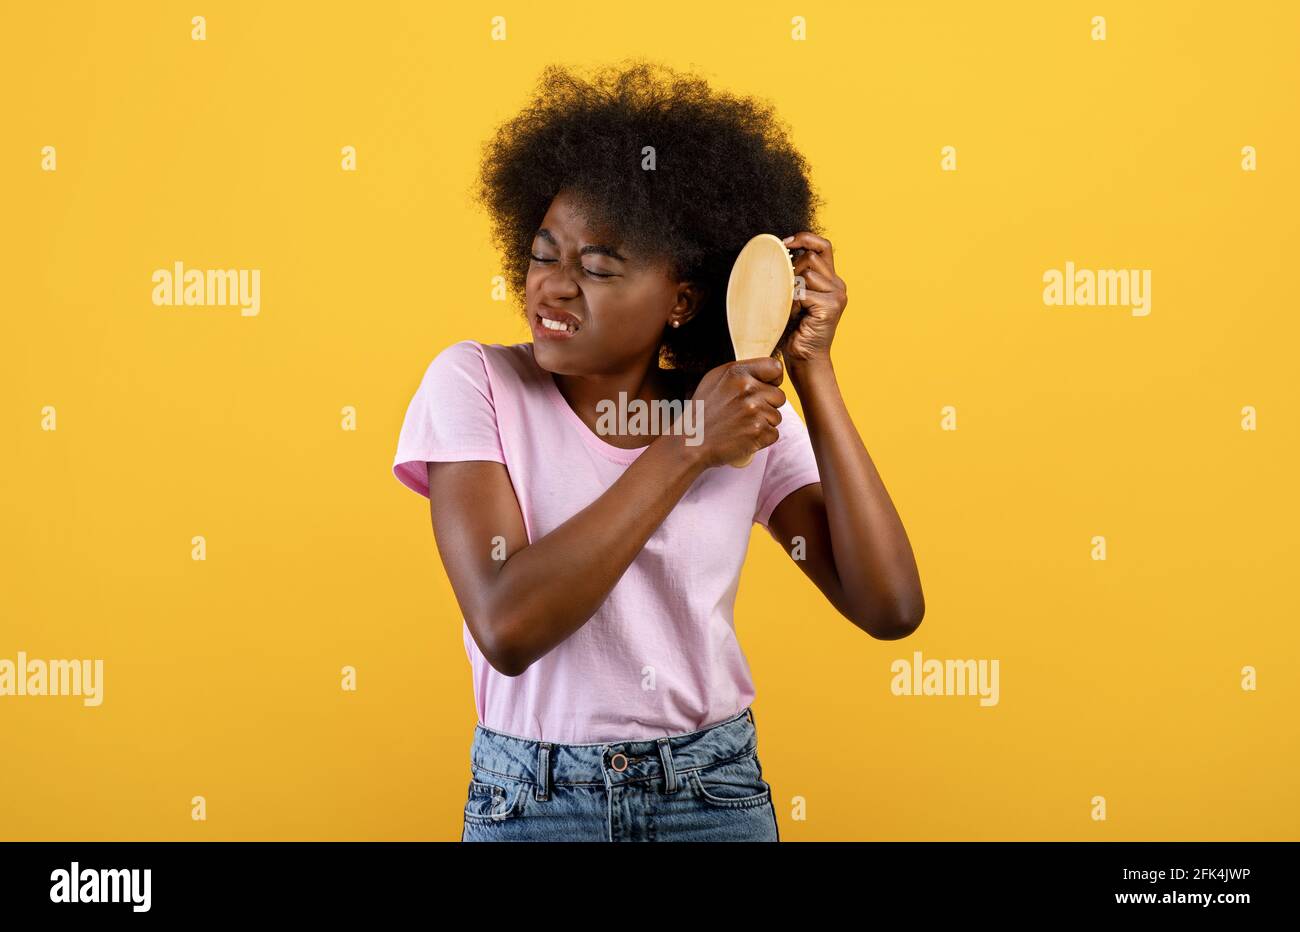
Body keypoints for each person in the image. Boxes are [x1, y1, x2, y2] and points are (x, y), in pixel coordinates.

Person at [392, 60, 924, 841]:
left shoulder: (734, 415)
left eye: (598, 267)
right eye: (543, 256)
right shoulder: (476, 384)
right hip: (532, 803)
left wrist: (812, 368)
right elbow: (507, 625)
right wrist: (685, 450)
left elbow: (890, 608)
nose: (554, 288)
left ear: (682, 299)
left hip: (710, 797)